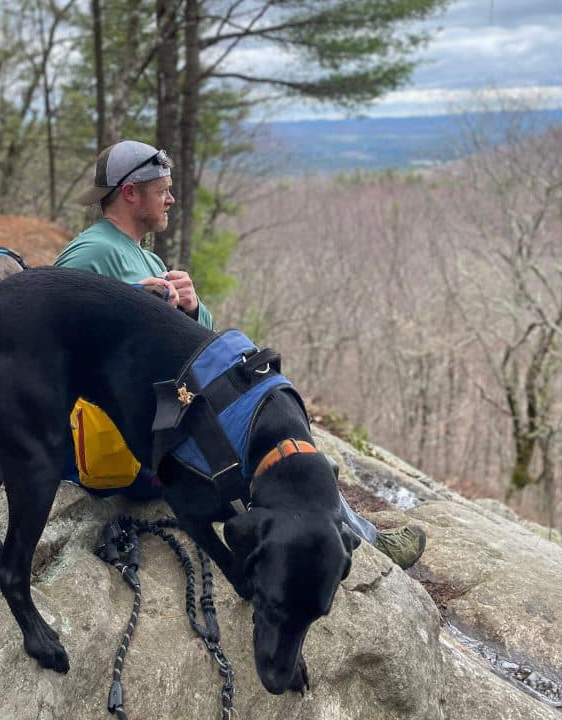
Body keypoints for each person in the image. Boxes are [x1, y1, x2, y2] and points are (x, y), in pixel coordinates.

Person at [56, 139, 426, 569]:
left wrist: (194, 309)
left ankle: (343, 526)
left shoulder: (144, 256)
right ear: (129, 193)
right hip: (116, 448)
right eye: (163, 191)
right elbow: (45, 329)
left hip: (157, 426)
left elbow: (196, 344)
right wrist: (122, 307)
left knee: (266, 422)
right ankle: (343, 532)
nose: (172, 199)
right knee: (260, 438)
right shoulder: (94, 249)